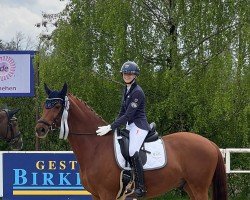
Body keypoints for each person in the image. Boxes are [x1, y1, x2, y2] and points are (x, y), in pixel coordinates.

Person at [96, 61, 150, 198]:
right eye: (125, 73)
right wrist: (112, 126)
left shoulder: (137, 92)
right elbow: (122, 111)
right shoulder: (126, 89)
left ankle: (140, 187)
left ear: (135, 75)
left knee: (132, 150)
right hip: (129, 126)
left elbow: (128, 115)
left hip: (139, 125)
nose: (127, 75)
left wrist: (111, 126)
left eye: (130, 73)